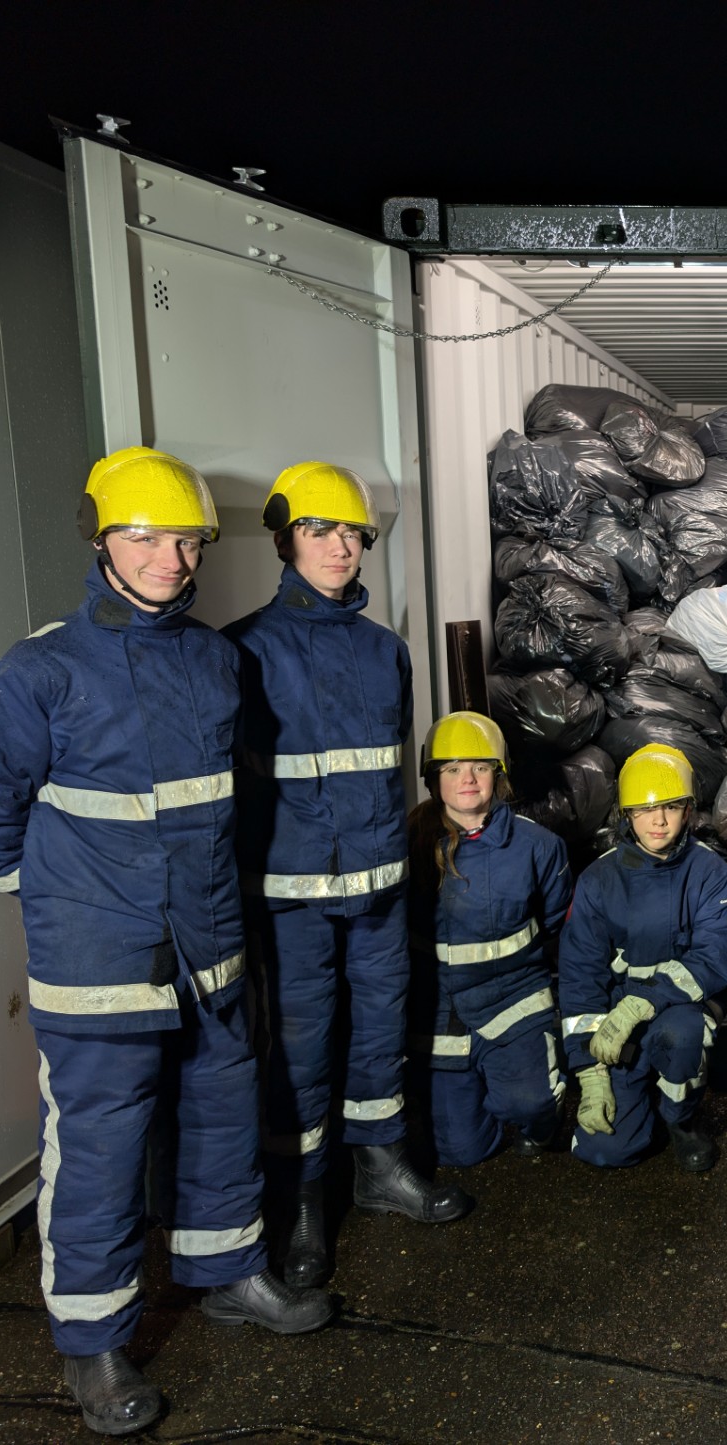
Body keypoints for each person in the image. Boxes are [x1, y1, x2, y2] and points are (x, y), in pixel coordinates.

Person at [0, 448, 334, 1437]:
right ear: (102, 539)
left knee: (219, 1107)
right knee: (103, 1142)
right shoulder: (39, 670)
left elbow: (224, 802)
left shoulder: (214, 660)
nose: (170, 558)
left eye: (187, 539)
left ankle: (228, 1269)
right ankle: (94, 1340)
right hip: (97, 951)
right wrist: (64, 897)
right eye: (145, 536)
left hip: (206, 939)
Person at [226, 462, 468, 1291]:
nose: (338, 546)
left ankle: (381, 1165)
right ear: (285, 537)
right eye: (319, 530)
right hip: (291, 895)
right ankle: (301, 1204)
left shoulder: (384, 651)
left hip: (377, 887)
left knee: (379, 1033)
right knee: (298, 1051)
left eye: (351, 532)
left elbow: (387, 769)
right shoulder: (244, 650)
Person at [561, 744, 727, 1171]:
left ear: (689, 811)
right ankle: (637, 1095)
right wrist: (588, 1071)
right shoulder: (599, 878)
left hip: (681, 1007)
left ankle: (681, 1119)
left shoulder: (710, 872)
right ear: (627, 815)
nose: (658, 821)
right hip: (616, 1014)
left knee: (680, 1037)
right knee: (605, 1151)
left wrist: (641, 1002)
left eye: (671, 807)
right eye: (644, 810)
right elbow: (579, 975)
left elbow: (714, 957)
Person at [406, 712, 573, 1167]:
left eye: (480, 767)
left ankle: (535, 1099)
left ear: (498, 776)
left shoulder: (538, 846)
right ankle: (484, 1087)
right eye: (452, 768)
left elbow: (557, 926)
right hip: (444, 1011)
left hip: (513, 1001)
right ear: (433, 778)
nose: (467, 779)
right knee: (462, 1153)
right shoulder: (410, 845)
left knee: (529, 1108)